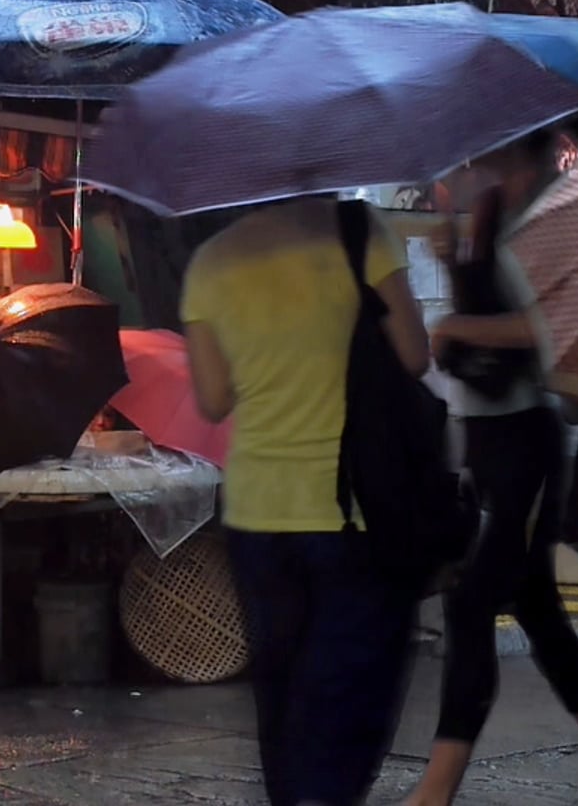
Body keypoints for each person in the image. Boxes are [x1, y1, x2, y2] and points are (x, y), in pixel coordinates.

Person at [404, 128, 578, 806]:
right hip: (485, 436)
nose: (470, 158)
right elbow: (491, 314)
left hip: (528, 444)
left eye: (482, 148)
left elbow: (556, 329)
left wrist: (459, 330)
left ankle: (436, 788)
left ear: (515, 147)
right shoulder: (492, 215)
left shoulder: (552, 218)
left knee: (473, 601)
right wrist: (455, 265)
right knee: (538, 611)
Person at [181, 195, 431, 806]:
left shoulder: (210, 260)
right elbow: (415, 355)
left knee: (283, 689)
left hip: (257, 511)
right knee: (350, 690)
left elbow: (213, 399)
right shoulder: (358, 232)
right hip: (353, 508)